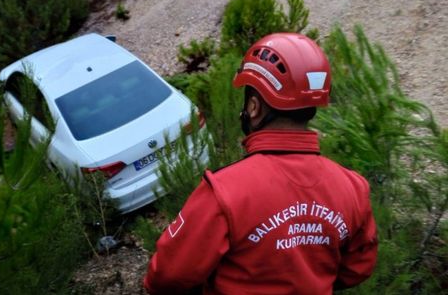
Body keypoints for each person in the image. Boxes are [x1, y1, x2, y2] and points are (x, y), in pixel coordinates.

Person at [143, 33, 378, 295]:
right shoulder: (353, 187)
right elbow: (357, 268)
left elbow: (167, 276)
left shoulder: (224, 192)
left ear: (253, 107)